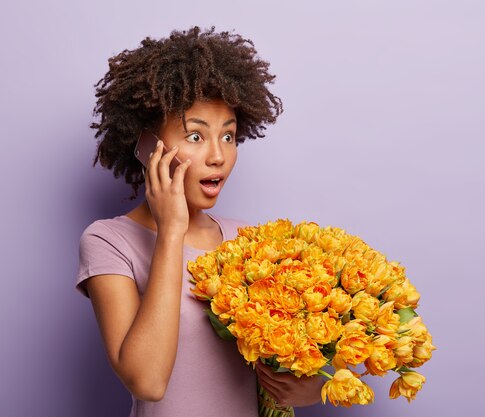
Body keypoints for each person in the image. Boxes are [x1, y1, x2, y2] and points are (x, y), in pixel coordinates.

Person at [76, 26, 323, 417]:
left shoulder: (249, 241)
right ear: (147, 146)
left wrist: (309, 388)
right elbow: (148, 381)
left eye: (229, 137)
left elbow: (296, 365)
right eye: (195, 136)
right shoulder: (108, 241)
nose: (218, 157)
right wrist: (171, 231)